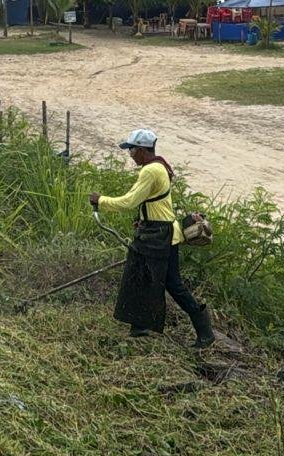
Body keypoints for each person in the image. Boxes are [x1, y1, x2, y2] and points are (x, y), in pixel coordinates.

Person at [89, 128, 215, 348]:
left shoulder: (150, 171)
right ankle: (140, 325)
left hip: (160, 235)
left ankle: (204, 331)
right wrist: (144, 218)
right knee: (142, 274)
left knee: (171, 284)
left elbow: (129, 201)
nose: (131, 156)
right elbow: (156, 203)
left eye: (131, 151)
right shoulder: (159, 166)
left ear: (142, 150)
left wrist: (101, 201)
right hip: (158, 230)